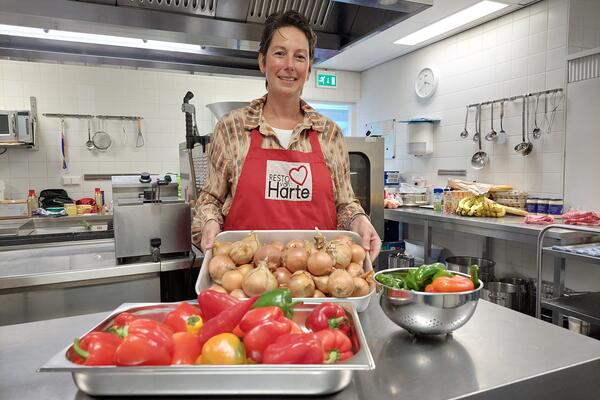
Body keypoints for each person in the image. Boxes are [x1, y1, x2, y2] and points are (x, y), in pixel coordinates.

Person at [192, 10, 381, 262]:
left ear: (309, 68)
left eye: (300, 57)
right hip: (245, 278)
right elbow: (210, 200)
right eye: (280, 53)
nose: (290, 65)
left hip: (315, 282)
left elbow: (345, 205)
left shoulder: (329, 133)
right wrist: (210, 223)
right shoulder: (231, 128)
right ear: (262, 62)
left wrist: (359, 220)